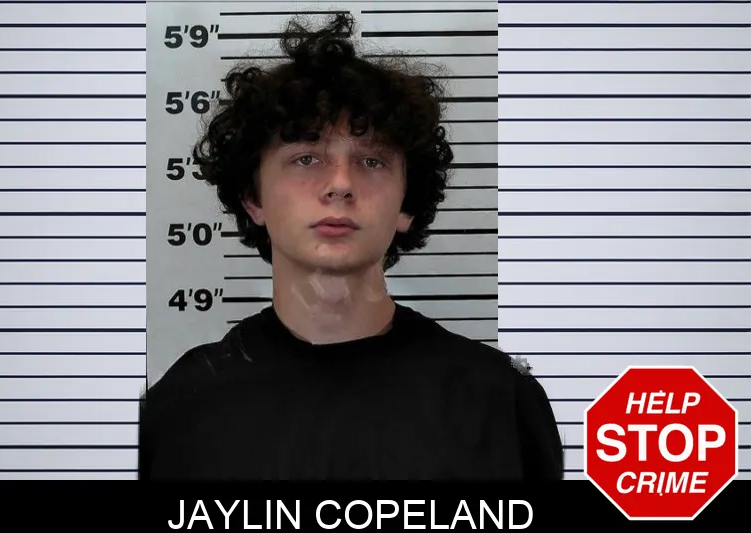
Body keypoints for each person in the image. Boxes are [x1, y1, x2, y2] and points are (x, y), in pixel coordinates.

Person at [139, 12, 563, 480]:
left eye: (371, 161)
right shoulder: (180, 408)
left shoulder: (501, 401)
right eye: (306, 158)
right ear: (253, 199)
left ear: (407, 206)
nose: (340, 184)